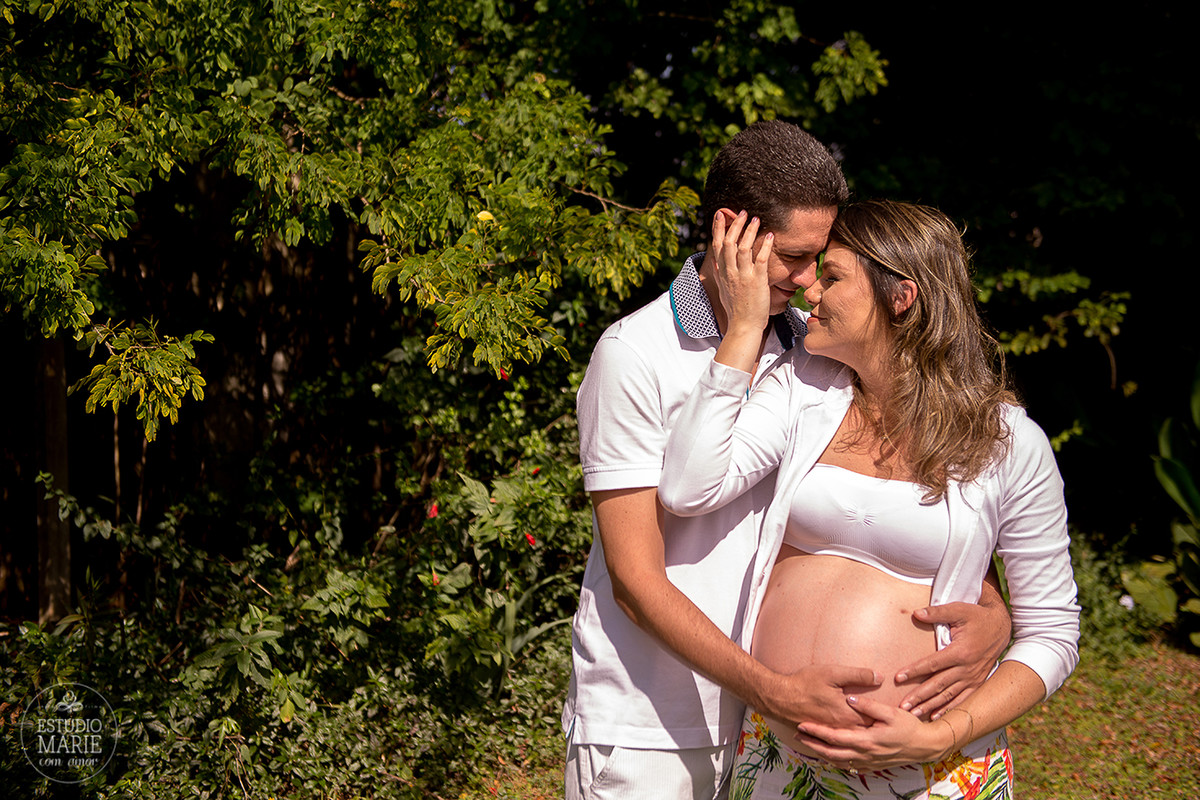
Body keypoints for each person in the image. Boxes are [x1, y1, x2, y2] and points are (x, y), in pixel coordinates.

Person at [563, 121, 1013, 800]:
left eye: (819, 261)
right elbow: (635, 582)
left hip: (766, 739)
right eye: (794, 258)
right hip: (652, 724)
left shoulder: (816, 349)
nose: (808, 283)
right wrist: (772, 688)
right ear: (729, 232)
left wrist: (994, 611)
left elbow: (897, 501)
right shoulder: (635, 355)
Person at [658, 199, 1080, 798]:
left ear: (900, 297)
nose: (810, 292)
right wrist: (745, 330)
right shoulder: (802, 388)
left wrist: (941, 735)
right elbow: (688, 486)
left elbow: (1054, 632)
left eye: (832, 278)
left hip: (931, 770)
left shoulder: (1007, 443)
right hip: (777, 759)